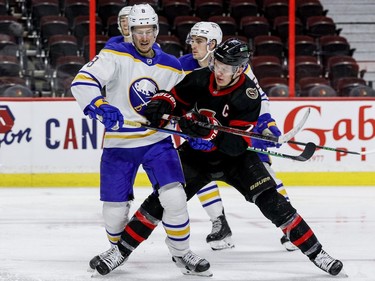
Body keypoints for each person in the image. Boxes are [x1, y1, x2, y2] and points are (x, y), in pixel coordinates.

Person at [91, 38, 344, 277]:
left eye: (227, 68)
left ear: (241, 69)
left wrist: (210, 136)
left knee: (274, 203)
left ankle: (318, 253)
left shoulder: (248, 94)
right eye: (218, 65)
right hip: (197, 157)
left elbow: (235, 146)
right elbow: (175, 99)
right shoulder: (201, 78)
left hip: (235, 160)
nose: (220, 72)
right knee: (161, 200)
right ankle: (119, 251)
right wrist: (163, 104)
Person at [70, 4, 211, 277]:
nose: (144, 37)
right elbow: (83, 80)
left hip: (157, 142)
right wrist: (99, 104)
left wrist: (197, 126)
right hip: (119, 145)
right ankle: (117, 250)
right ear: (130, 31)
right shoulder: (114, 54)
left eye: (149, 30)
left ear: (156, 30)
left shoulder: (171, 64)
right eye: (138, 31)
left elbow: (187, 103)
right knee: (113, 212)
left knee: (175, 197)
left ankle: (182, 254)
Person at [179, 21, 297, 251]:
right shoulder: (182, 65)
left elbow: (258, 96)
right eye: (192, 40)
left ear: (212, 44)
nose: (193, 45)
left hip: (235, 126)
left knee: (264, 172)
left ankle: (289, 226)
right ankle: (219, 223)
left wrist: (266, 123)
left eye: (199, 41)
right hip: (206, 129)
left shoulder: (236, 62)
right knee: (198, 173)